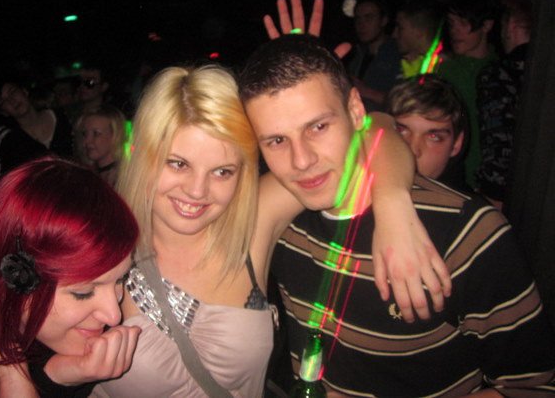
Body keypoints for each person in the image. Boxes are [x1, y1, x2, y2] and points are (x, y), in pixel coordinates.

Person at [93, 63, 449, 397]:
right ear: (141, 153)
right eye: (178, 164)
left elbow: (374, 127)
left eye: (222, 171)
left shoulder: (253, 222)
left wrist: (393, 208)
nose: (197, 191)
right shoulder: (96, 244)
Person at [238, 34, 555, 397]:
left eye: (318, 127)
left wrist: (390, 201)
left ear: (355, 110)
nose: (301, 160)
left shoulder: (466, 231)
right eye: (277, 141)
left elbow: (535, 387)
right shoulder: (284, 223)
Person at [0, 157, 141, 397]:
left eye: (120, 280)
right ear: (14, 278)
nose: (113, 316)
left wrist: (57, 376)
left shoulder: (60, 345)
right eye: (83, 293)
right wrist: (13, 378)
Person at [476, 0, 534, 210]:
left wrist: (491, 197)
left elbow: (498, 141)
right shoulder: (545, 71)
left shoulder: (500, 74)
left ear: (510, 25)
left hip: (508, 195)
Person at [436, 0, 498, 188]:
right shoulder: (444, 70)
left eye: (463, 23)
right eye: (452, 23)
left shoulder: (501, 73)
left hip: (487, 180)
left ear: (486, 25)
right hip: (449, 177)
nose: (455, 31)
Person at [386, 74, 468, 190]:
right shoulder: (361, 191)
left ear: (456, 144)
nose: (413, 150)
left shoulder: (464, 202)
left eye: (433, 136)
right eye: (400, 131)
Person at [0, 81, 74, 179]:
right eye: (3, 101)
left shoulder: (65, 116)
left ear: (24, 91)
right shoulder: (6, 139)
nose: (12, 100)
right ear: (3, 111)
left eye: (12, 92)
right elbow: (0, 180)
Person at [348, 0, 401, 110]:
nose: (361, 25)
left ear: (383, 21)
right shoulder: (357, 55)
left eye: (369, 18)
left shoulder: (399, 54)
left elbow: (407, 102)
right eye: (358, 19)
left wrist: (367, 92)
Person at [76, 104, 128, 186]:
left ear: (115, 135)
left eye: (96, 134)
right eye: (85, 134)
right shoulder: (87, 175)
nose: (87, 141)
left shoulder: (125, 178)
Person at [393, 0, 443, 79]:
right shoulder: (405, 63)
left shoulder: (441, 69)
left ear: (419, 31)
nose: (394, 35)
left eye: (400, 28)